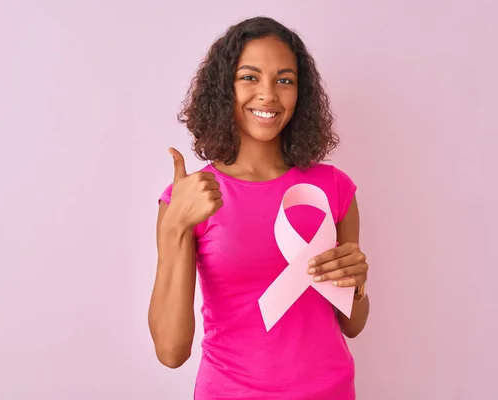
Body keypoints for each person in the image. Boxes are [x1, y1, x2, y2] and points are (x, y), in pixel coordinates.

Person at [148, 16, 370, 400]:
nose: (268, 94)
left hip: (330, 391)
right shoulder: (191, 197)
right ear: (225, 89)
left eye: (284, 80)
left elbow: (352, 325)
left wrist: (358, 287)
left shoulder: (334, 188)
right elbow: (171, 352)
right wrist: (175, 227)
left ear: (300, 94)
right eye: (249, 77)